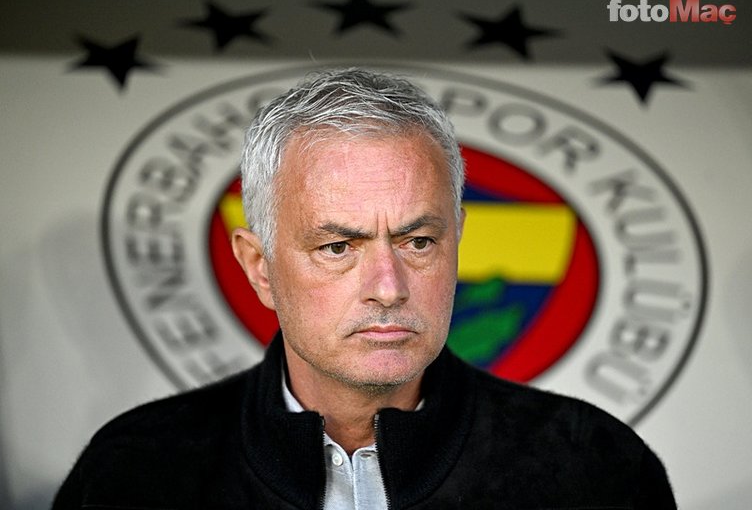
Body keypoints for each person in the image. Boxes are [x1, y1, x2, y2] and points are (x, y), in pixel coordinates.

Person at [53, 68, 677, 509]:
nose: (388, 287)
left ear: (457, 242)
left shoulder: (594, 468)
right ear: (260, 267)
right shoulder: (136, 470)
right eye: (338, 247)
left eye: (419, 242)